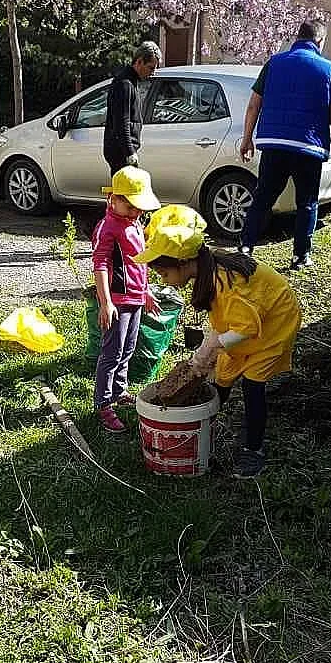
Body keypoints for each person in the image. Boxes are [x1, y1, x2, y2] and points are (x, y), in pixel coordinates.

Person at [135, 204, 301, 479]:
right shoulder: (207, 271)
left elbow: (245, 327)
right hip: (247, 324)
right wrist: (202, 359)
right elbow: (223, 323)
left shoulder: (224, 281)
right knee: (222, 375)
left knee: (252, 382)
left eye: (164, 274)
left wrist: (215, 347)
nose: (163, 280)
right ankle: (206, 420)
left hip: (274, 323)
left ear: (184, 262)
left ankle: (253, 449)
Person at [239, 19, 331, 270]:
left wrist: (247, 138)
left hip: (273, 144)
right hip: (308, 147)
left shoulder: (273, 63)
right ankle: (300, 256)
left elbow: (254, 104)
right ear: (320, 41)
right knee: (307, 202)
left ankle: (246, 245)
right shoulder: (328, 69)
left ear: (296, 37)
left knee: (263, 197)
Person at [92, 166, 163, 433]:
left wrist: (145, 291)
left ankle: (119, 391)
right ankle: (103, 403)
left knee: (128, 349)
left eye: (140, 208)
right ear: (114, 199)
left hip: (134, 299)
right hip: (117, 301)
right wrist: (105, 302)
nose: (138, 213)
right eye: (132, 206)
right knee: (111, 353)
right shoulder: (108, 227)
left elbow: (138, 264)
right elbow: (100, 264)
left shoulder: (133, 224)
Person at [103, 41, 162, 175]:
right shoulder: (125, 84)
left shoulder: (131, 82)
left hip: (123, 151)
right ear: (139, 62)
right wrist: (129, 152)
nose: (153, 73)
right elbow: (121, 122)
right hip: (121, 152)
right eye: (151, 68)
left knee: (127, 193)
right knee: (126, 193)